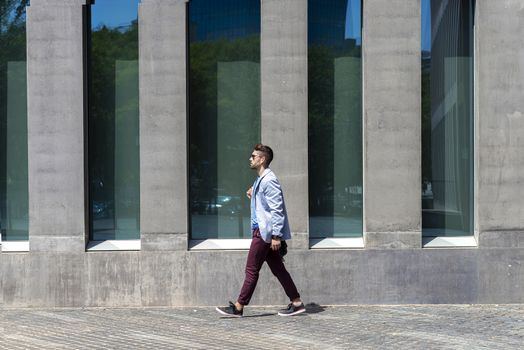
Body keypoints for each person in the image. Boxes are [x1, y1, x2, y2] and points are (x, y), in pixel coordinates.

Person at [216, 144, 305, 317]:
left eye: (253, 156)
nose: (250, 158)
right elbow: (265, 203)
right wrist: (253, 192)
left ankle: (239, 306)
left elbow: (277, 209)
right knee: (279, 270)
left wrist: (277, 236)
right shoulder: (261, 179)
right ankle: (297, 303)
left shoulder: (269, 179)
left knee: (251, 270)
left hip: (264, 234)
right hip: (265, 233)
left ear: (262, 159)